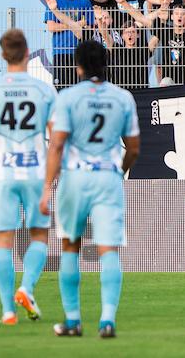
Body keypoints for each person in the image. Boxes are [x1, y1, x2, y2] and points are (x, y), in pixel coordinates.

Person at [40, 40, 141, 338]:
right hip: (108, 178)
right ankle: (107, 320)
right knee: (109, 248)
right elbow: (133, 148)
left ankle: (73, 321)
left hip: (75, 178)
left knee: (70, 246)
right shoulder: (122, 98)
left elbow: (57, 144)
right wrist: (118, 172)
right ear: (106, 64)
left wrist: (47, 187)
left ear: (78, 66)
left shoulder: (68, 98)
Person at [0, 29, 58, 325]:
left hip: (3, 174)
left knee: (4, 243)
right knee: (39, 236)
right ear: (26, 52)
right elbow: (54, 136)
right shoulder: (44, 90)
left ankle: (8, 311)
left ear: (2, 54)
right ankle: (27, 288)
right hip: (35, 173)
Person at [44, 0, 94, 89]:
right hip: (61, 52)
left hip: (80, 53)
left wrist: (78, 25)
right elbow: (52, 27)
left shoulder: (84, 1)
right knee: (61, 89)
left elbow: (90, 26)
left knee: (80, 89)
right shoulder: (54, 0)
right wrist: (77, 24)